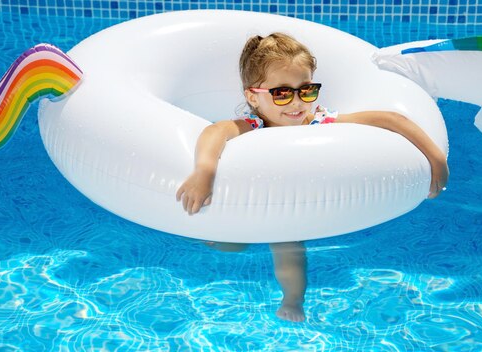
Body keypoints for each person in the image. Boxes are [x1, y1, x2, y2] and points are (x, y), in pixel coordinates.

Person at [175, 33, 449, 322]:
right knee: (229, 243)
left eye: (306, 90)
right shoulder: (254, 125)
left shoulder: (319, 121)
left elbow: (392, 119)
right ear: (253, 96)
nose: (296, 103)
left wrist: (436, 159)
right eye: (282, 93)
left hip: (291, 206)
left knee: (288, 246)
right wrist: (204, 170)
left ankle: (293, 300)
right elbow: (216, 131)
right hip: (255, 199)